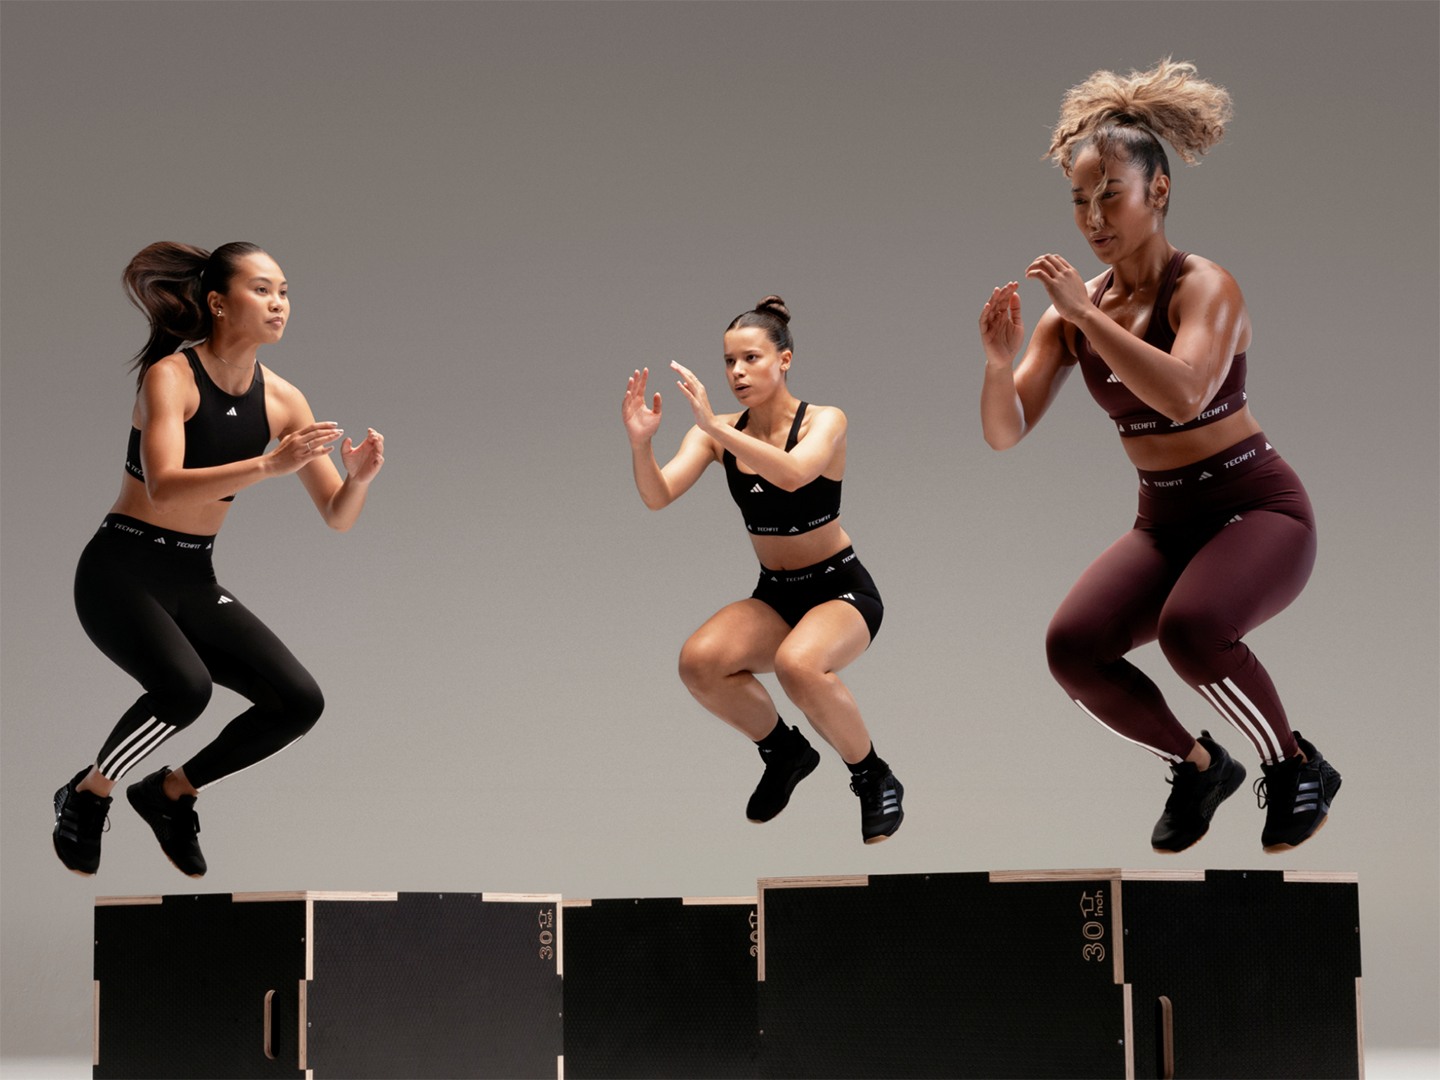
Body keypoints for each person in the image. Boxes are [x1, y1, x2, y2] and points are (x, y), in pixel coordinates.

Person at [977, 60, 1340, 853]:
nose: (1094, 217)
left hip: (1258, 511)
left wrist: (1083, 313)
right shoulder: (1074, 315)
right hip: (1165, 522)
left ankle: (1295, 765)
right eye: (1080, 199)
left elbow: (1182, 395)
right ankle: (1199, 766)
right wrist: (1001, 363)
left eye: (1111, 194)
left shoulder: (1203, 286)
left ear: (1159, 192)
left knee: (1193, 629)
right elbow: (1004, 433)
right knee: (1072, 649)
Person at [52, 241, 386, 877]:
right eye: (262, 290)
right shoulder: (171, 377)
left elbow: (338, 516)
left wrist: (359, 478)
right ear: (217, 302)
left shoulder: (284, 401)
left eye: (284, 291)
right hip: (121, 569)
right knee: (185, 689)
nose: (279, 303)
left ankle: (171, 792)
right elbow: (164, 484)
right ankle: (89, 793)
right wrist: (267, 465)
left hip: (192, 575)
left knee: (299, 701)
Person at [621, 296, 903, 843]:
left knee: (798, 665)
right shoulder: (715, 433)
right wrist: (641, 444)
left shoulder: (825, 420)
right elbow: (658, 496)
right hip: (776, 594)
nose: (737, 373)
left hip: (840, 590)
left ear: (786, 359)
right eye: (729, 362)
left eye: (751, 358)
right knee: (699, 663)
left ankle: (872, 775)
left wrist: (717, 428)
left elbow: (796, 474)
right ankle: (785, 752)